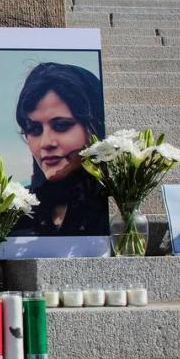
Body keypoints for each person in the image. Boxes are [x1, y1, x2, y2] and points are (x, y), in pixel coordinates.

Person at [11, 62, 109, 236]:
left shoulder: (118, 205)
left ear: (95, 127)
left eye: (61, 125)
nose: (45, 143)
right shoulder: (14, 213)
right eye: (34, 129)